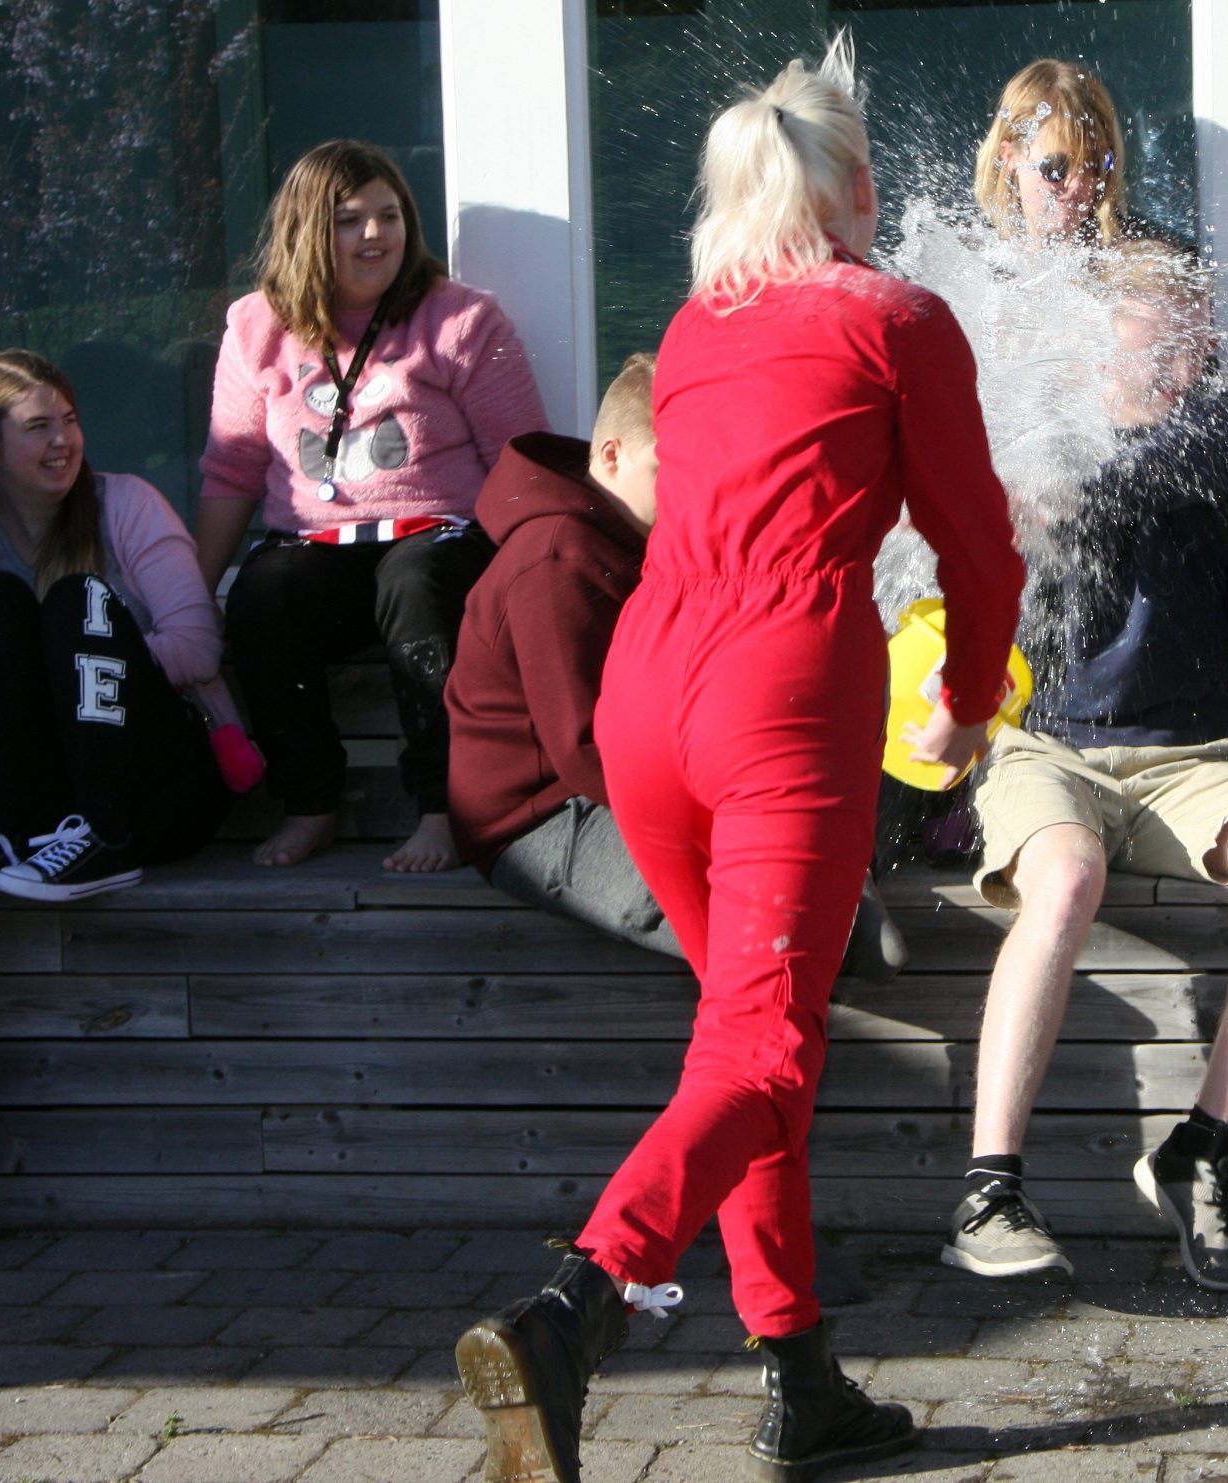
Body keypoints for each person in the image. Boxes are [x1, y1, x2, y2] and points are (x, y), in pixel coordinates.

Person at [454, 35, 1025, 1483]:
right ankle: (577, 1302)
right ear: (859, 186)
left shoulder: (698, 326)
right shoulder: (899, 317)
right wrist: (967, 699)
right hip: (782, 686)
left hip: (646, 688)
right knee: (766, 1045)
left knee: (747, 1042)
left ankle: (798, 1371)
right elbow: (978, 548)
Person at [943, 241, 1228, 1292]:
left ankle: (1201, 1148)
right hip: (1045, 746)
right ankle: (989, 1188)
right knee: (1066, 877)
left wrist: (1058, 490)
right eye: (1152, 337)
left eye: (1192, 341)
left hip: (1186, 760)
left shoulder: (1211, 428)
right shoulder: (1030, 430)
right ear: (1093, 339)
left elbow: (1150, 476)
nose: (1179, 359)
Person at [445, 352, 907, 984]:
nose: (700, 491)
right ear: (612, 457)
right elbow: (586, 751)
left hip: (671, 770)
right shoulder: (555, 562)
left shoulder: (667, 536)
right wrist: (736, 818)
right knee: (820, 939)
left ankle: (833, 878)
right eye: (674, 470)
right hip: (547, 813)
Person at [195, 138, 548, 871]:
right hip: (315, 549)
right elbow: (232, 471)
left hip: (436, 540)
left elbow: (521, 461)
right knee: (262, 594)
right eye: (350, 219)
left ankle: (443, 808)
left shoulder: (461, 320)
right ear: (306, 232)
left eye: (390, 215)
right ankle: (310, 804)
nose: (376, 234)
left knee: (415, 581)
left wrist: (534, 584)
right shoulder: (256, 328)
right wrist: (194, 597)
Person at [0, 350, 239, 908]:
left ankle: (104, 834)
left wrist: (73, 662)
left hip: (158, 787)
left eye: (69, 420)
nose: (62, 441)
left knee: (77, 604)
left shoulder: (126, 504)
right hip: (48, 808)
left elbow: (198, 647)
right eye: (38, 427)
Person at [974, 58, 1134, 247]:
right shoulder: (971, 251)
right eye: (1058, 167)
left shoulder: (1137, 256)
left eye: (1094, 165)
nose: (1076, 184)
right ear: (1009, 157)